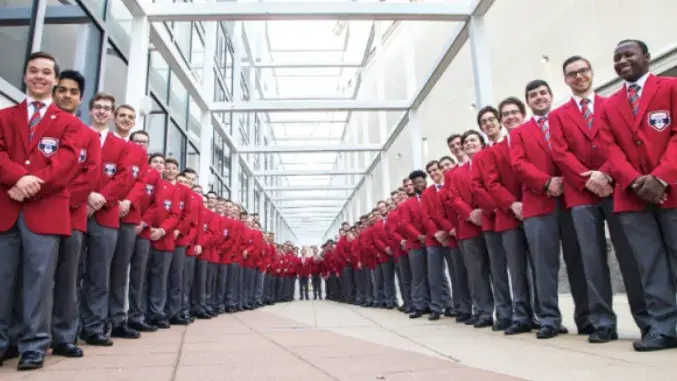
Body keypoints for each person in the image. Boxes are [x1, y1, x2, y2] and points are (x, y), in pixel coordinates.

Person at [549, 54, 650, 344]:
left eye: (583, 71)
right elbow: (560, 154)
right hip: (581, 196)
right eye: (572, 74)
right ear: (566, 80)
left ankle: (647, 321)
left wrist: (605, 175)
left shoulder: (612, 104)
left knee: (629, 257)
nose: (579, 77)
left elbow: (622, 143)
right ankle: (603, 322)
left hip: (615, 188)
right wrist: (587, 179)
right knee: (592, 260)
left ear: (591, 73)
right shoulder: (558, 116)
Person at [0, 52, 81, 370]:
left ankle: (34, 345)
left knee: (38, 280)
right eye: (33, 71)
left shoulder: (68, 123)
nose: (39, 76)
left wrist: (33, 182)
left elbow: (67, 162)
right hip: (7, 206)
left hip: (45, 211)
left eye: (46, 72)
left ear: (55, 80)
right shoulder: (5, 117)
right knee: (3, 279)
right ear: (24, 77)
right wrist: (19, 178)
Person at [598, 39, 677, 352]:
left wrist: (660, 177)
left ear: (646, 56)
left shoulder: (670, 88)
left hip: (671, 191)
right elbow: (609, 148)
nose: (621, 61)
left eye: (628, 54)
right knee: (651, 265)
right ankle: (663, 328)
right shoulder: (609, 104)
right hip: (632, 199)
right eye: (616, 58)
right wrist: (634, 181)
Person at [510, 80, 591, 339]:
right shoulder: (520, 133)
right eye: (532, 95)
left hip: (571, 200)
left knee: (578, 261)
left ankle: (587, 317)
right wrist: (546, 183)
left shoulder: (563, 119)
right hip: (538, 204)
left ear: (551, 95)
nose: (539, 98)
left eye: (543, 93)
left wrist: (567, 181)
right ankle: (549, 319)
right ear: (528, 102)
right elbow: (519, 165)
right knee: (544, 266)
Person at [51, 69, 101, 358]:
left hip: (71, 214)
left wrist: (61, 198)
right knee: (33, 277)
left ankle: (63, 336)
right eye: (62, 90)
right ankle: (21, 335)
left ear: (80, 99)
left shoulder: (88, 135)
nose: (66, 95)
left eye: (73, 92)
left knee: (68, 278)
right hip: (34, 215)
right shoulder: (39, 127)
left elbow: (91, 175)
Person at [80, 92, 132, 347]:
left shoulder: (122, 146)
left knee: (99, 276)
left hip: (106, 216)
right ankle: (68, 327)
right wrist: (86, 196)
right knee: (70, 273)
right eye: (97, 107)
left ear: (112, 115)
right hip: (76, 212)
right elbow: (70, 168)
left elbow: (123, 178)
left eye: (106, 108)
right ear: (90, 111)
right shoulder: (78, 134)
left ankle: (94, 327)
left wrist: (99, 198)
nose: (101, 111)